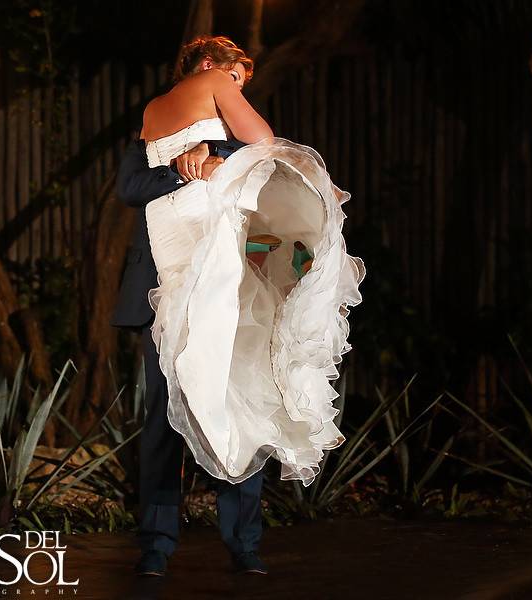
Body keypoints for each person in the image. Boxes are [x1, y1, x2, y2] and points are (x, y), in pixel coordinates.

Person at [117, 34, 365, 577]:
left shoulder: (153, 111)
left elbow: (203, 164)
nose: (235, 91)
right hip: (189, 268)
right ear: (210, 66)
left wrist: (213, 160)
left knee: (226, 401)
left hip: (180, 248)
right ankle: (161, 546)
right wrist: (198, 167)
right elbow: (264, 144)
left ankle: (240, 542)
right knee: (199, 410)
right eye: (236, 80)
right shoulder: (211, 85)